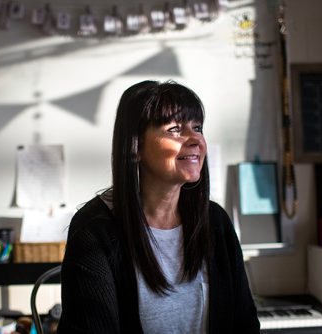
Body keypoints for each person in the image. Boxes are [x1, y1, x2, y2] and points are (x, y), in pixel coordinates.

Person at [57, 80, 260, 333]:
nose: (195, 138)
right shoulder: (94, 230)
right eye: (175, 129)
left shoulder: (215, 220)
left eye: (197, 127)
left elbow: (245, 323)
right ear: (136, 146)